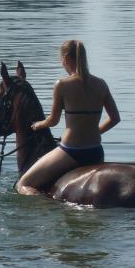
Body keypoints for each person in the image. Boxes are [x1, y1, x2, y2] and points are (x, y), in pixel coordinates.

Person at [16, 40, 120, 196]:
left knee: (23, 184)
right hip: (96, 151)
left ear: (65, 59)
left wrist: (38, 125)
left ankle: (50, 209)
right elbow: (115, 118)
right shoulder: (101, 84)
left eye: (61, 60)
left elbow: (53, 120)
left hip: (71, 151)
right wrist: (96, 132)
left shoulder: (62, 85)